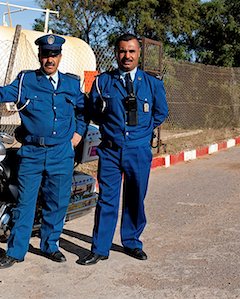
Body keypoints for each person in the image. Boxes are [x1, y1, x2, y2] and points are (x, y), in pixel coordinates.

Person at [0, 34, 86, 269]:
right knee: (25, 203)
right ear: (40, 56)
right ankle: (16, 251)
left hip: (61, 153)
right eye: (46, 55)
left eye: (54, 55)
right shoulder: (26, 80)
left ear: (60, 57)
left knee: (57, 201)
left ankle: (50, 245)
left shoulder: (72, 84)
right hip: (32, 152)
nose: (49, 59)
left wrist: (79, 133)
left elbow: (84, 109)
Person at [78, 33, 169, 265]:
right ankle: (100, 248)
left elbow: (161, 113)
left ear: (139, 53)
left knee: (135, 198)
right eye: (122, 51)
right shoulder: (102, 82)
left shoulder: (152, 83)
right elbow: (93, 112)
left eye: (131, 51)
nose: (126, 56)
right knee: (107, 199)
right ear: (116, 53)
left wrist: (142, 133)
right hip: (110, 150)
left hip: (138, 151)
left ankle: (132, 242)